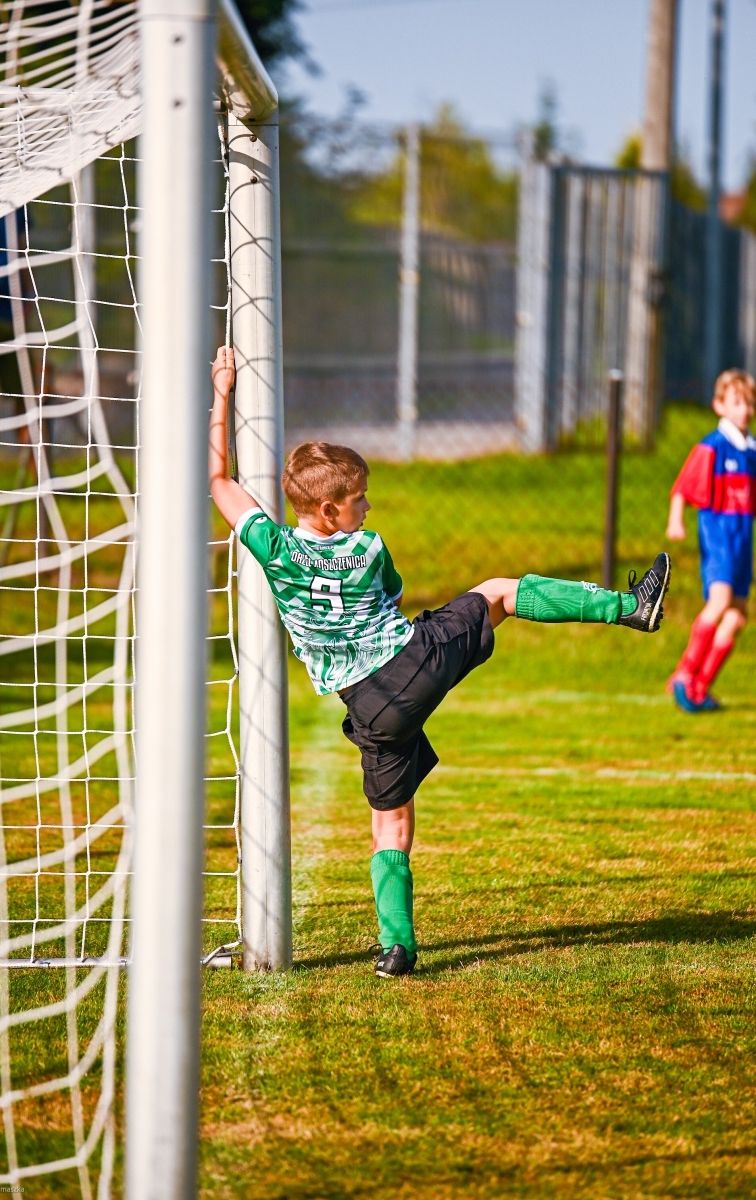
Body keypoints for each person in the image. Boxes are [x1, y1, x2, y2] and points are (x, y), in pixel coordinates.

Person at [209, 346, 672, 978]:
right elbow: (393, 594)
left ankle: (396, 948)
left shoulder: (272, 545)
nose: (367, 508)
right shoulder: (367, 547)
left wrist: (223, 391)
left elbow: (220, 483)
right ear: (329, 511)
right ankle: (630, 607)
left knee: (389, 824)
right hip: (409, 663)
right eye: (358, 499)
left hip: (368, 709)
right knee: (500, 591)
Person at [666, 368, 756, 713]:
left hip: (742, 544)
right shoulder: (712, 446)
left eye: (749, 402)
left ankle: (700, 688)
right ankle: (685, 673)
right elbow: (683, 488)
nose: (745, 409)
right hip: (718, 539)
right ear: (719, 405)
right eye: (737, 402)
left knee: (738, 616)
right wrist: (676, 520)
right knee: (718, 604)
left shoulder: (750, 451)